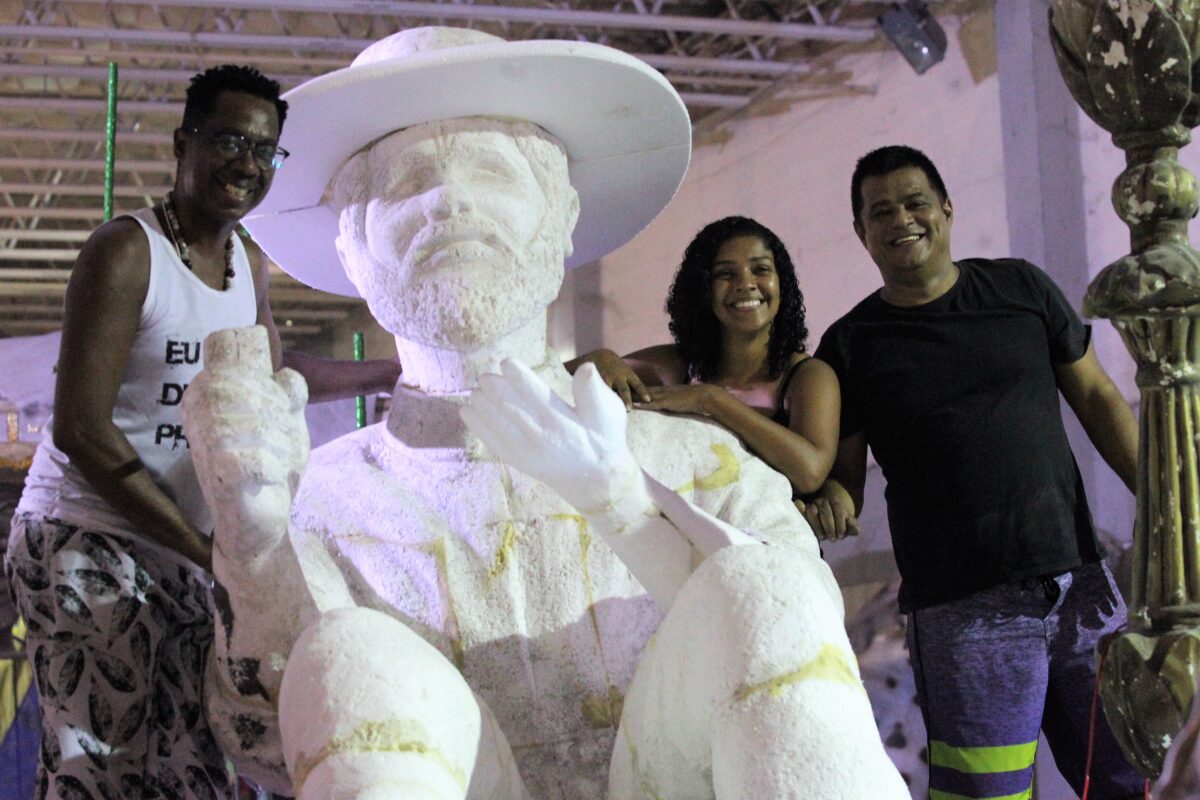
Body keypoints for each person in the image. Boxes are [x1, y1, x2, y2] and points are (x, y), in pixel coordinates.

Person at [180, 27, 909, 800]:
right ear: (351, 246)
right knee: (350, 657)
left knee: (758, 584)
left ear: (562, 218)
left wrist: (626, 507)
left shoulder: (695, 462)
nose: (450, 200)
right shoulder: (314, 504)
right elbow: (264, 745)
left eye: (491, 172)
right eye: (407, 181)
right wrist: (255, 556)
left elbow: (799, 654)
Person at [5, 65, 398, 800]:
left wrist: (386, 373)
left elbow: (273, 372)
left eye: (263, 150)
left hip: (182, 549)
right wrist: (203, 550)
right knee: (103, 762)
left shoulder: (247, 264)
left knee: (195, 766)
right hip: (83, 532)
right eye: (228, 141)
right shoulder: (127, 252)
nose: (246, 164)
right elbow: (82, 430)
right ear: (183, 144)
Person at [806, 144, 1145, 799]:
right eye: (881, 212)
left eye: (915, 202)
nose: (901, 219)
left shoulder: (1021, 290)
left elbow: (1101, 397)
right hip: (963, 616)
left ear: (946, 209)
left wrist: (1164, 504)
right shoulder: (850, 346)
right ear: (861, 232)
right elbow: (846, 480)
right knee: (989, 795)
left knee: (1123, 782)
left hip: (1082, 590)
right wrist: (824, 504)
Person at [569, 216, 839, 499]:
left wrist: (710, 400)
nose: (745, 283)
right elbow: (554, 377)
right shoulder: (678, 366)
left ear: (782, 284)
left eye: (760, 269)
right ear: (703, 291)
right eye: (725, 274)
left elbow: (810, 473)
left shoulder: (809, 376)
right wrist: (599, 358)